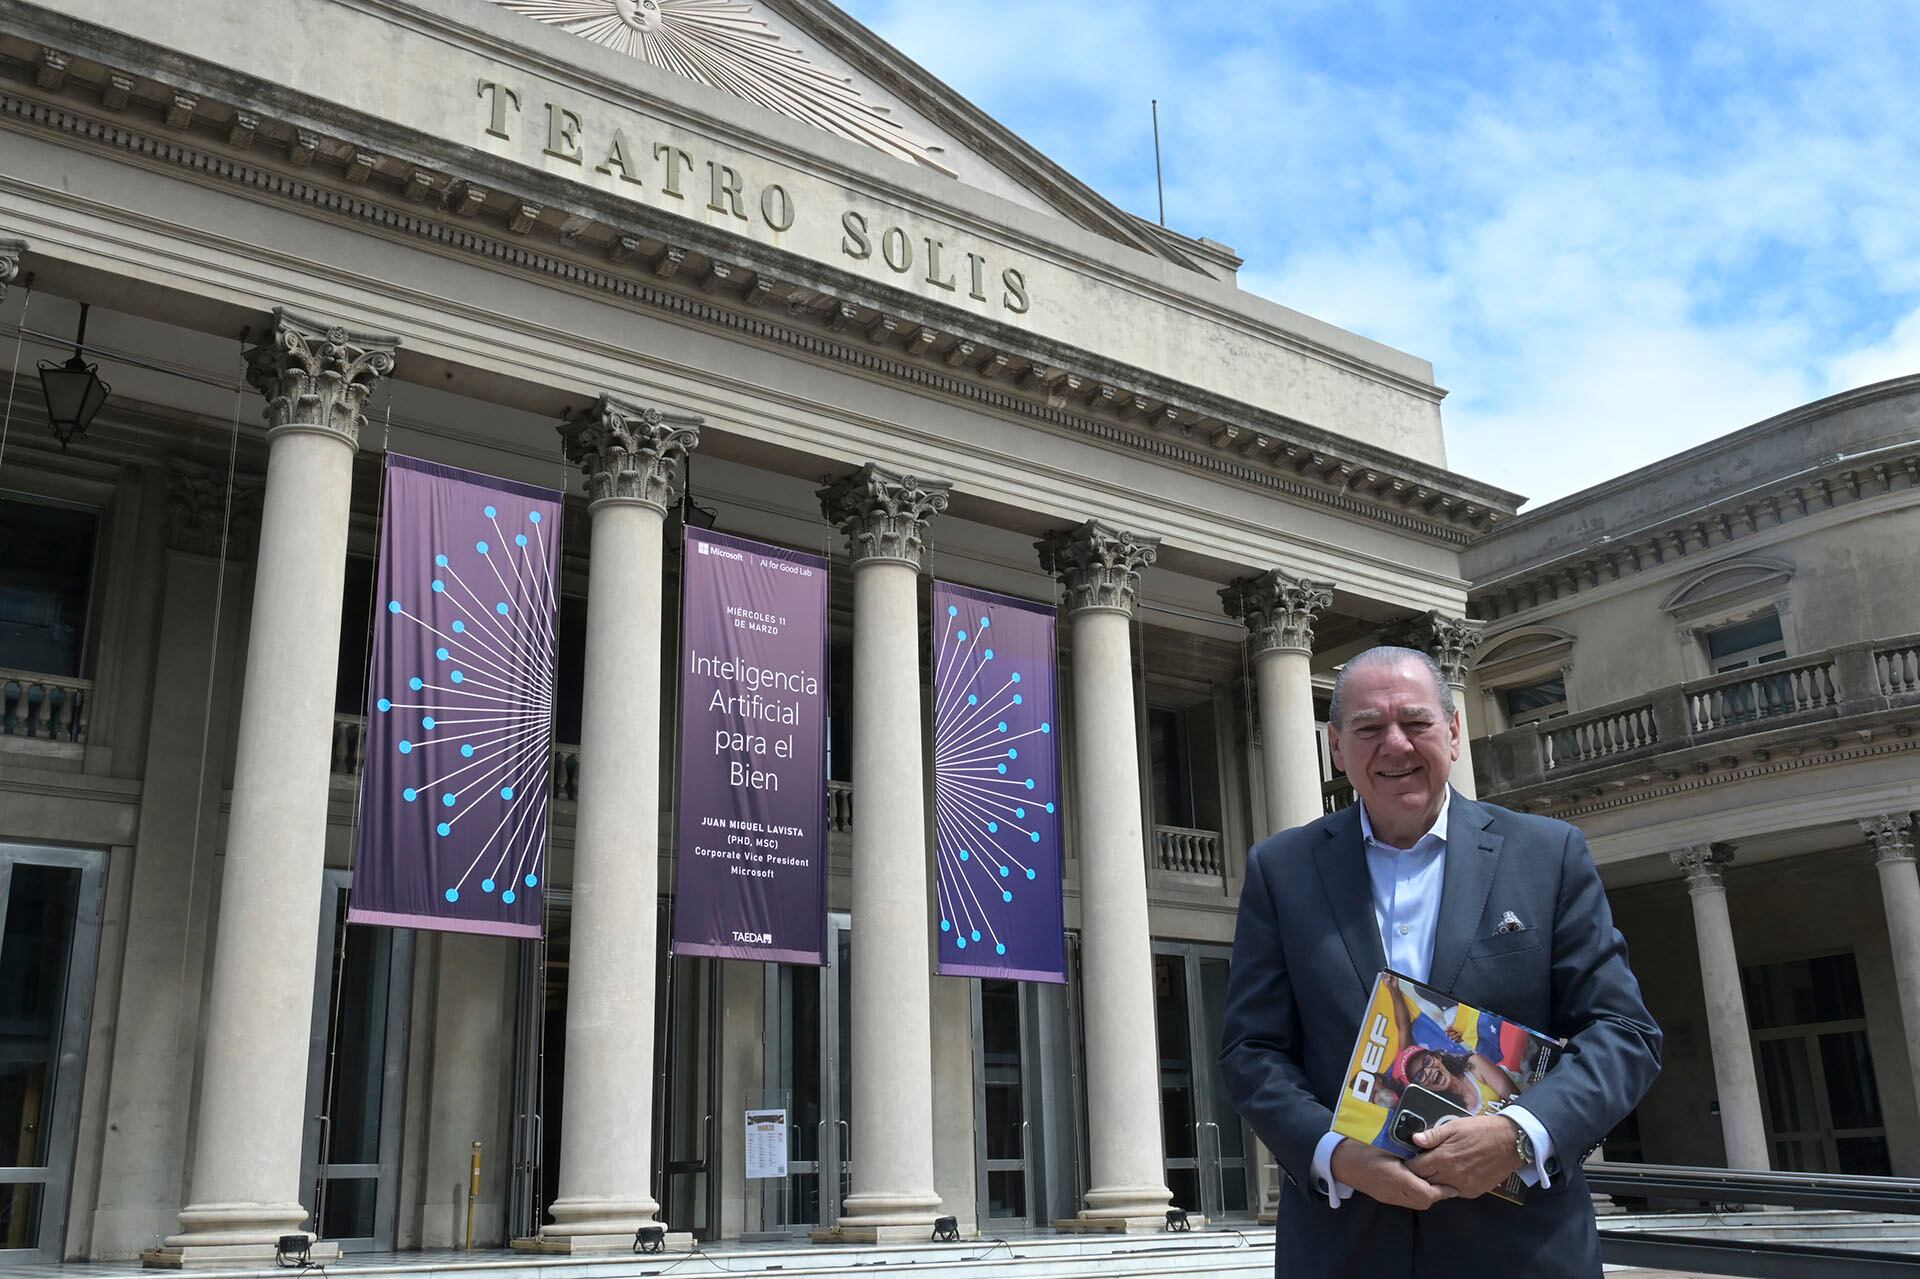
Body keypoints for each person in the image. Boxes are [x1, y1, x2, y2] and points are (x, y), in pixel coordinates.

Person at [1219, 646, 1660, 1277]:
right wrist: (1336, 1153)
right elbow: (1252, 1050)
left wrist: (1517, 1135)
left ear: (1453, 733)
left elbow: (1625, 1033)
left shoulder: (1547, 855)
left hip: (1522, 1248)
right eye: (1369, 728)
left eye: (1416, 723)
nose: (1395, 745)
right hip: (1345, 1248)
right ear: (1337, 747)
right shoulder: (1281, 871)